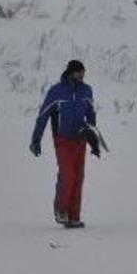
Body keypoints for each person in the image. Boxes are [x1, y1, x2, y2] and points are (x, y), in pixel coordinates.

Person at [30, 59, 96, 228]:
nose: (82, 76)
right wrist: (36, 139)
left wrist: (93, 138)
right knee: (67, 175)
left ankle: (74, 217)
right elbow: (43, 115)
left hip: (80, 139)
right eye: (79, 73)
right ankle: (61, 210)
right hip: (63, 139)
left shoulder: (87, 90)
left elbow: (91, 115)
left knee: (78, 178)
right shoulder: (56, 91)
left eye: (83, 73)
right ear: (71, 72)